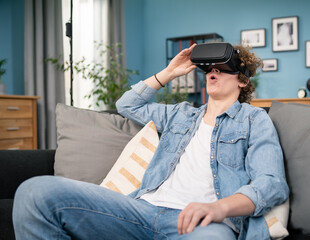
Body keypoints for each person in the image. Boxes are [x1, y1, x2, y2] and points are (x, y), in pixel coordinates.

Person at [13, 43, 289, 240]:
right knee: (35, 192)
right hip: (140, 211)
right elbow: (127, 105)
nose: (212, 73)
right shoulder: (180, 113)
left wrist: (219, 208)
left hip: (204, 225)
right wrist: (168, 73)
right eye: (208, 69)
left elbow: (271, 183)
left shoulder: (254, 120)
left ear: (242, 81)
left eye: (221, 68)